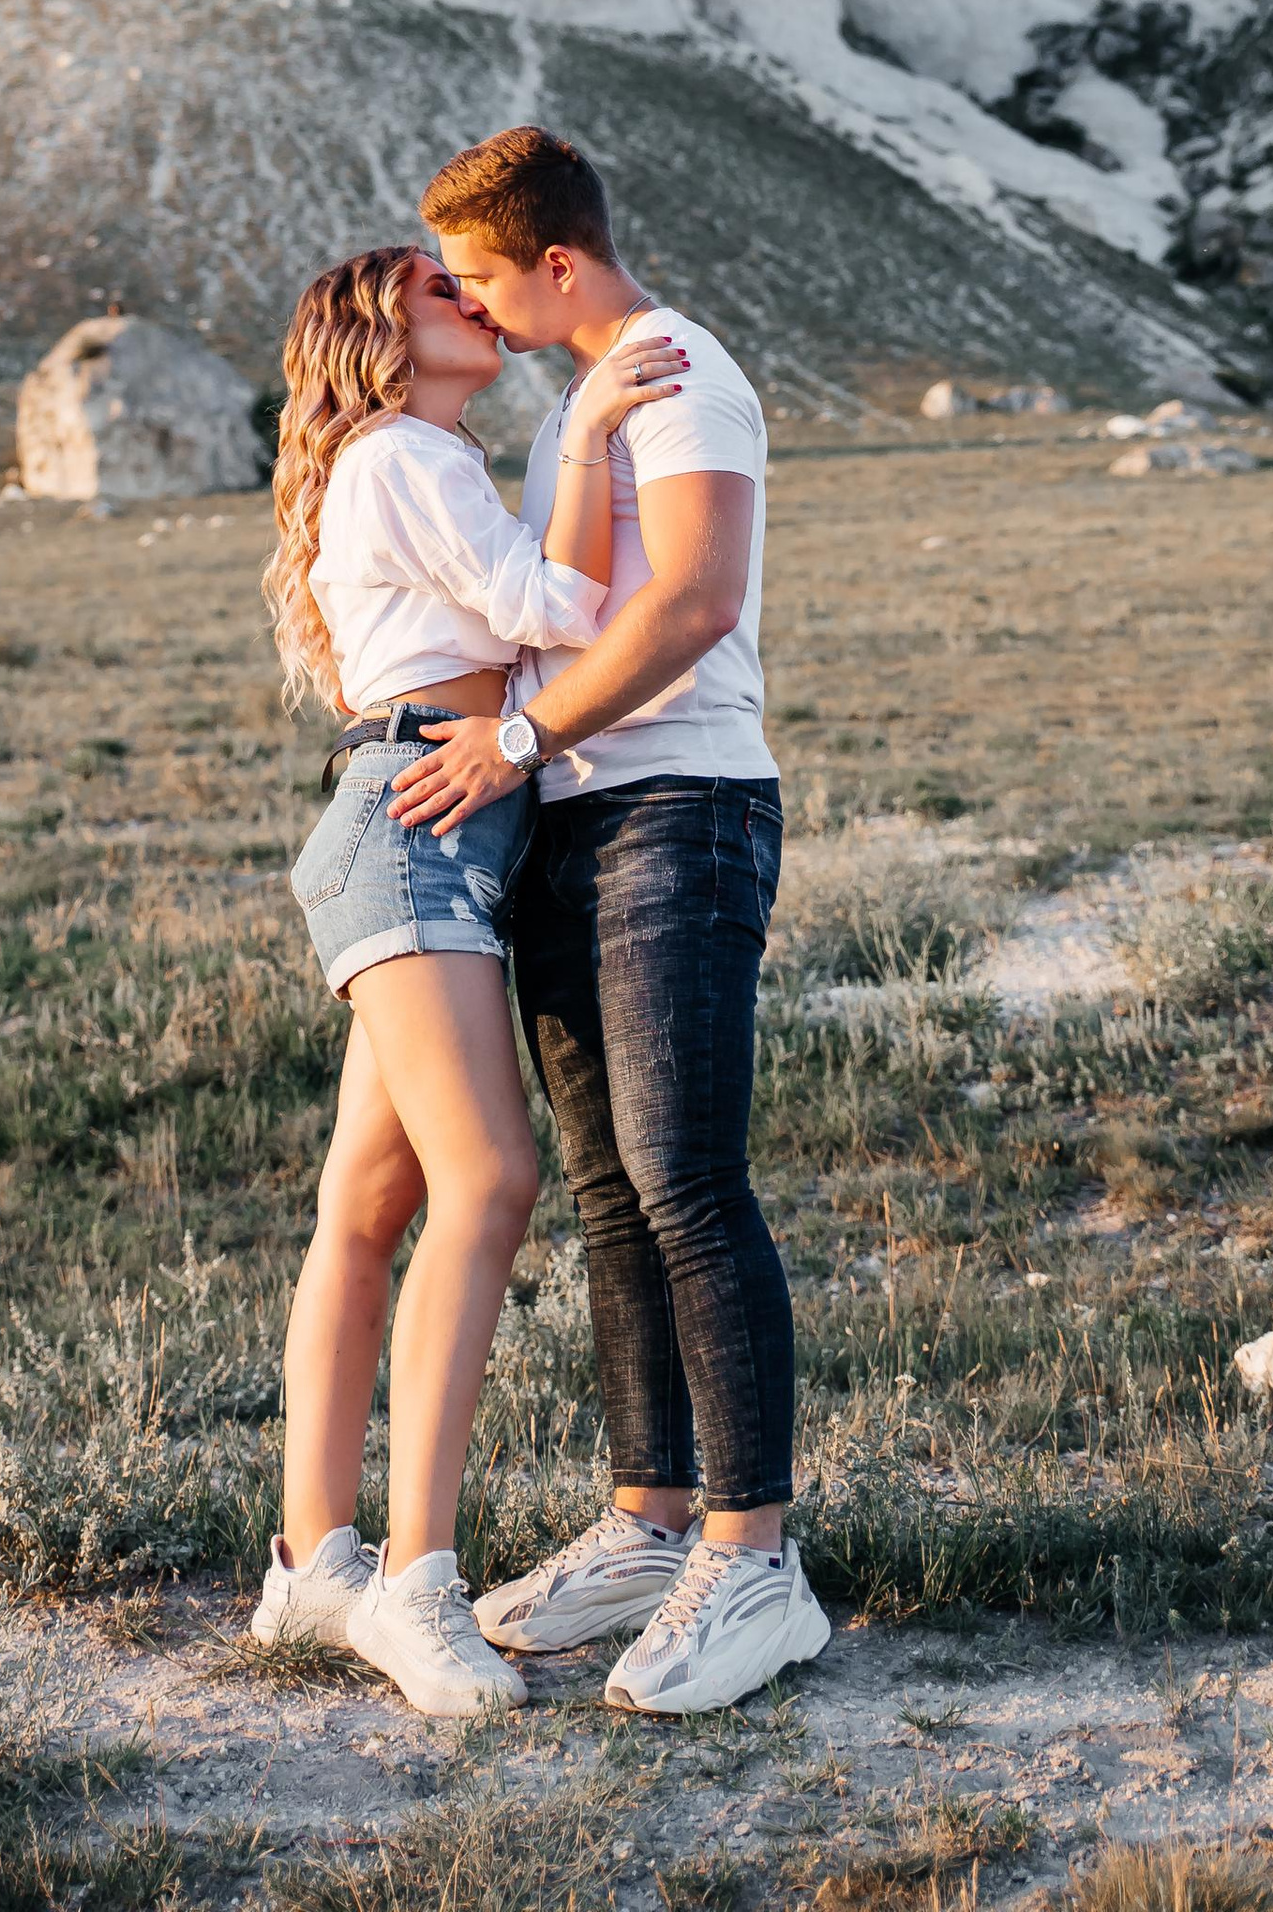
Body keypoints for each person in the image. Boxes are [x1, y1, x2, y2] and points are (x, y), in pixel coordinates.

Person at [388, 126, 831, 1715]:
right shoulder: (589, 402)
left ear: (556, 263)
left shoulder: (680, 373)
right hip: (576, 820)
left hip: (682, 806)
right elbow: (556, 603)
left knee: (688, 1179)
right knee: (610, 1190)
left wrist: (513, 739)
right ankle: (650, 1524)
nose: (480, 314)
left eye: (490, 282)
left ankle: (756, 1566)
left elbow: (696, 600)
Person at [254, 240, 688, 1716]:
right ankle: (415, 1587)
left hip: (424, 830)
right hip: (416, 836)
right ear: (384, 335)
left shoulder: (407, 459)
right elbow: (559, 608)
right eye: (447, 294)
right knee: (492, 1181)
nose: (479, 304)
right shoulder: (406, 453)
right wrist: (602, 429)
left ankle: (313, 1566)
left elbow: (520, 615)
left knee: (368, 1210)